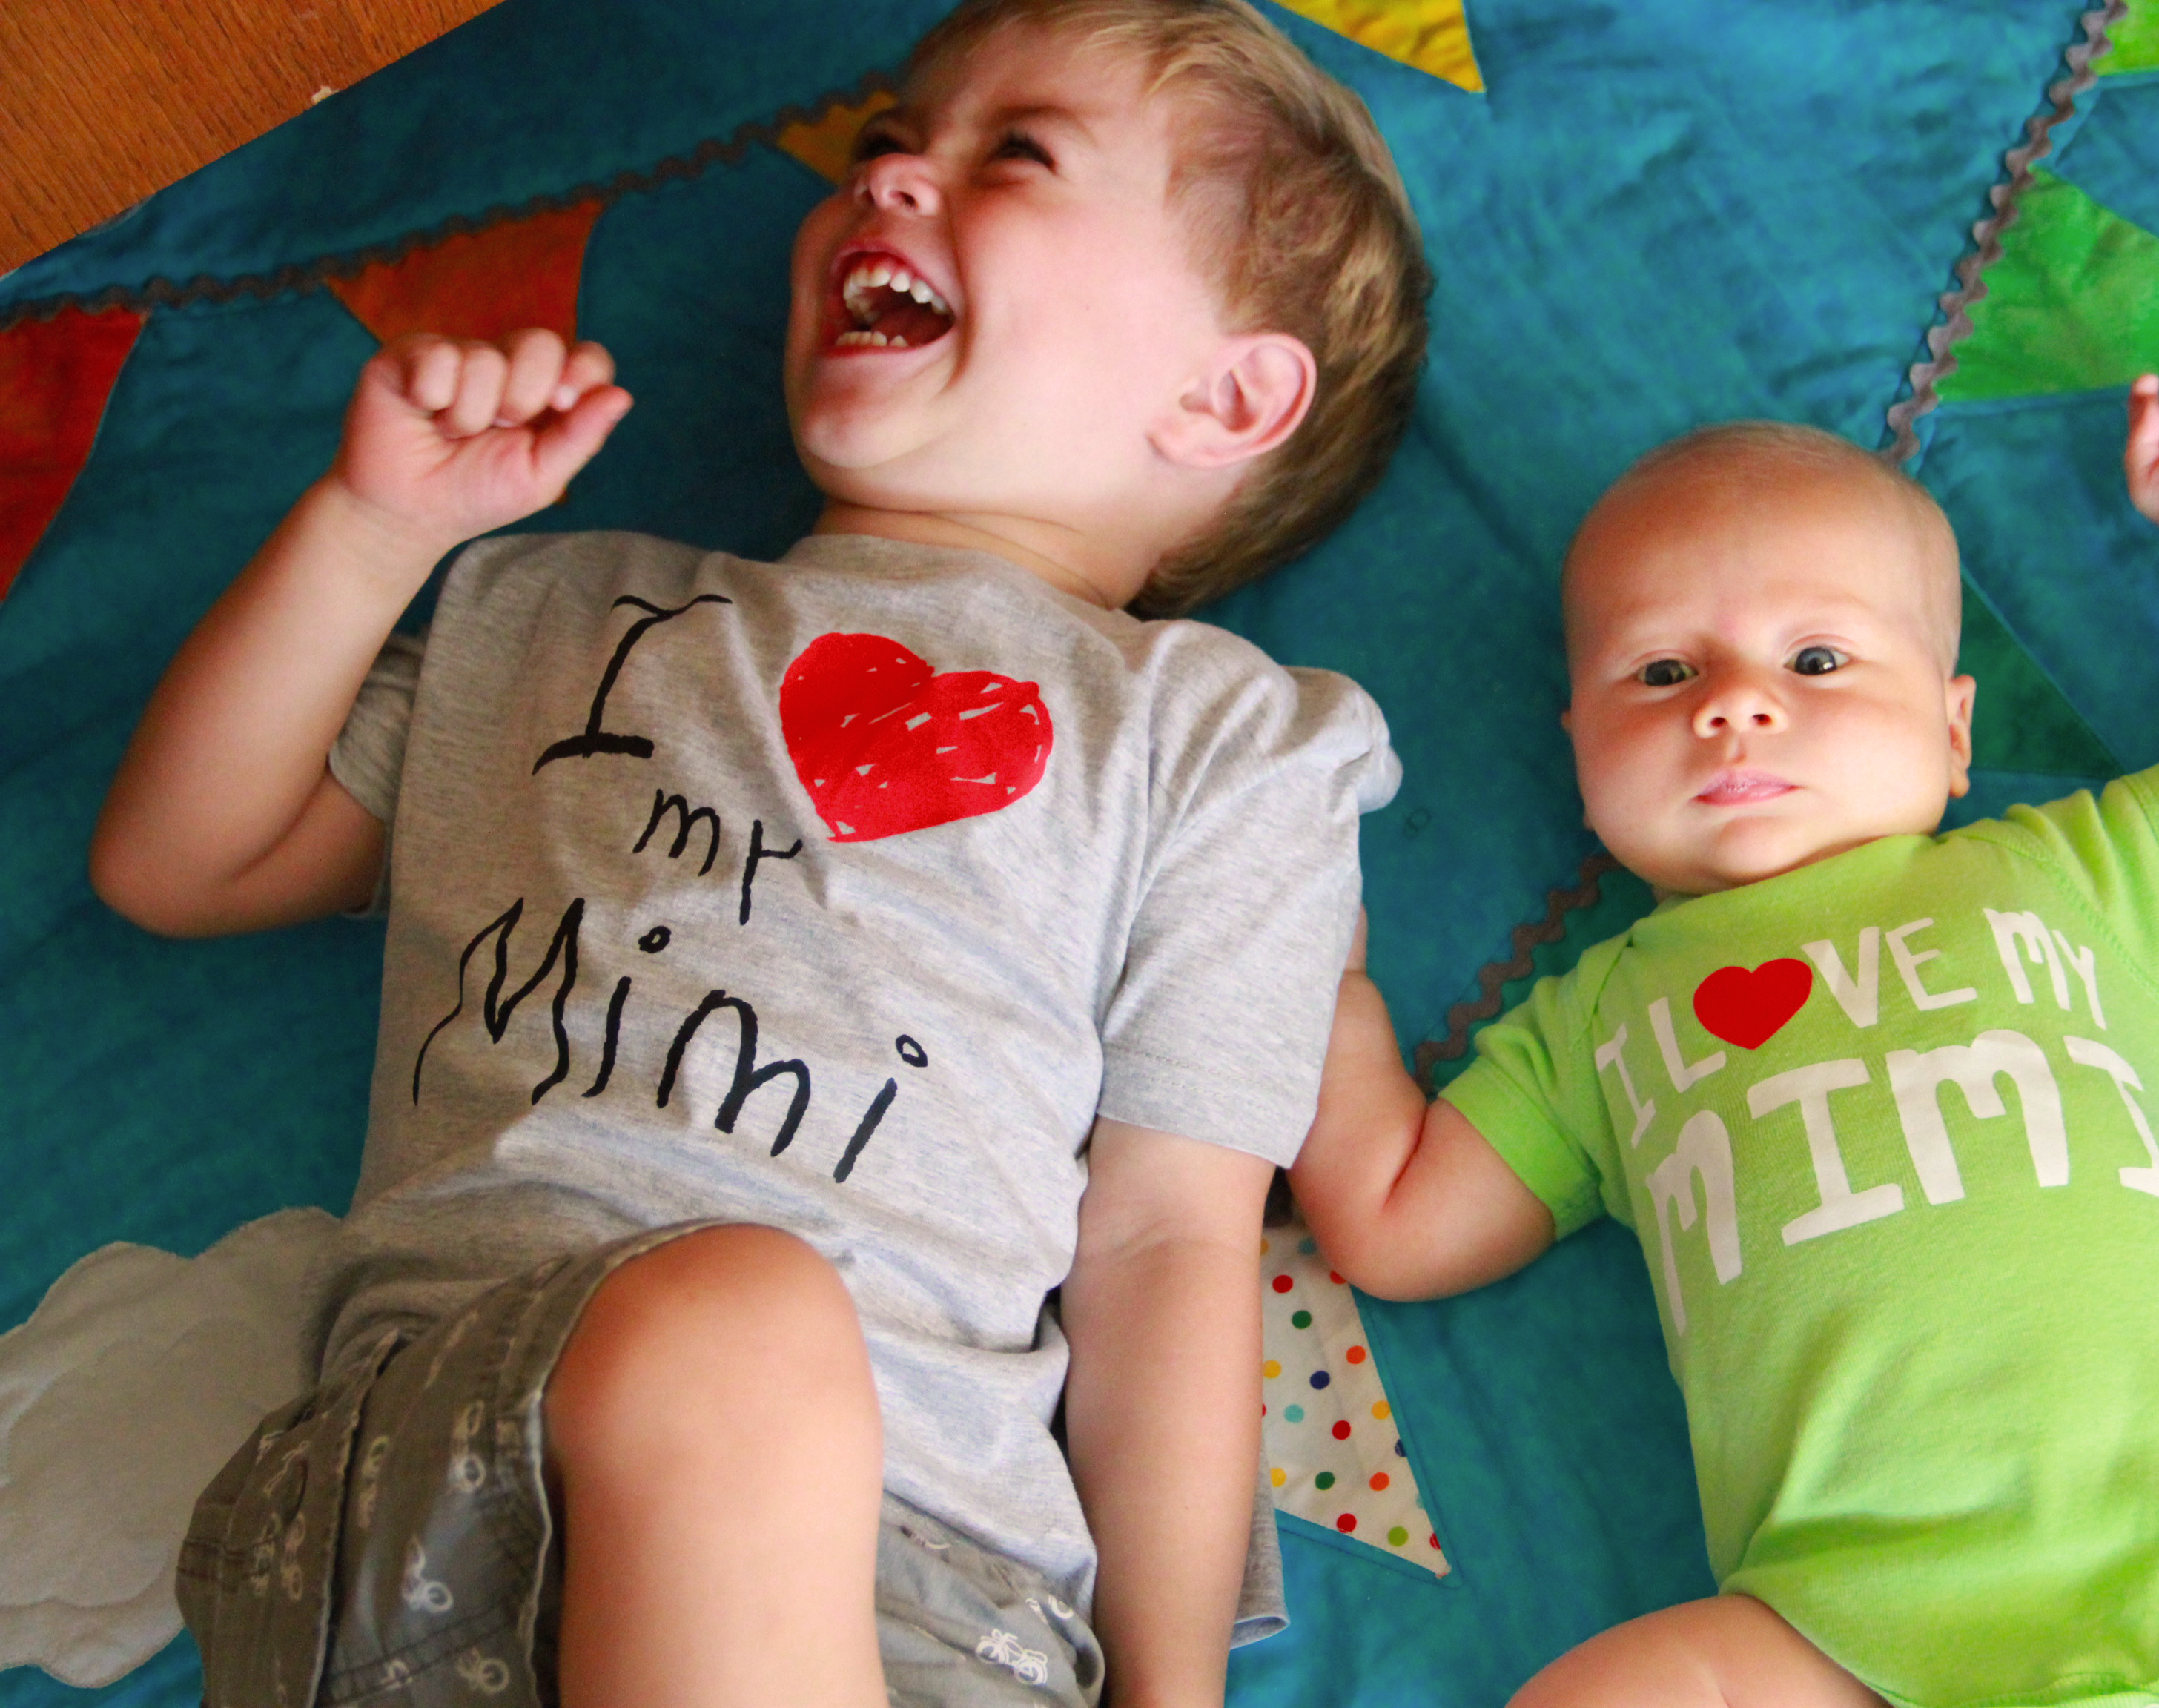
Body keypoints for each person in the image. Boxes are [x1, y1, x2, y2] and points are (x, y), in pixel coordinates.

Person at [85, 2, 1428, 1704]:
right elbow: (179, 866)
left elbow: (1171, 1243)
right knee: (739, 1325)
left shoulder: (1228, 744)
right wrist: (373, 534)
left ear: (1228, 393)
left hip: (933, 1594)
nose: (889, 181)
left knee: (753, 1331)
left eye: (1015, 154)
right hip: (438, 1517)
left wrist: (1169, 1693)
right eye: (886, 141)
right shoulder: (559, 607)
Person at [1290, 356, 2159, 1707]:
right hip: (1843, 1634)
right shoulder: (1601, 1021)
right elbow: (1395, 1222)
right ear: (1580, 749)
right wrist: (1315, 970)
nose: (1731, 703)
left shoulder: (2074, 879)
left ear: (1955, 730)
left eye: (1817, 659)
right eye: (1661, 672)